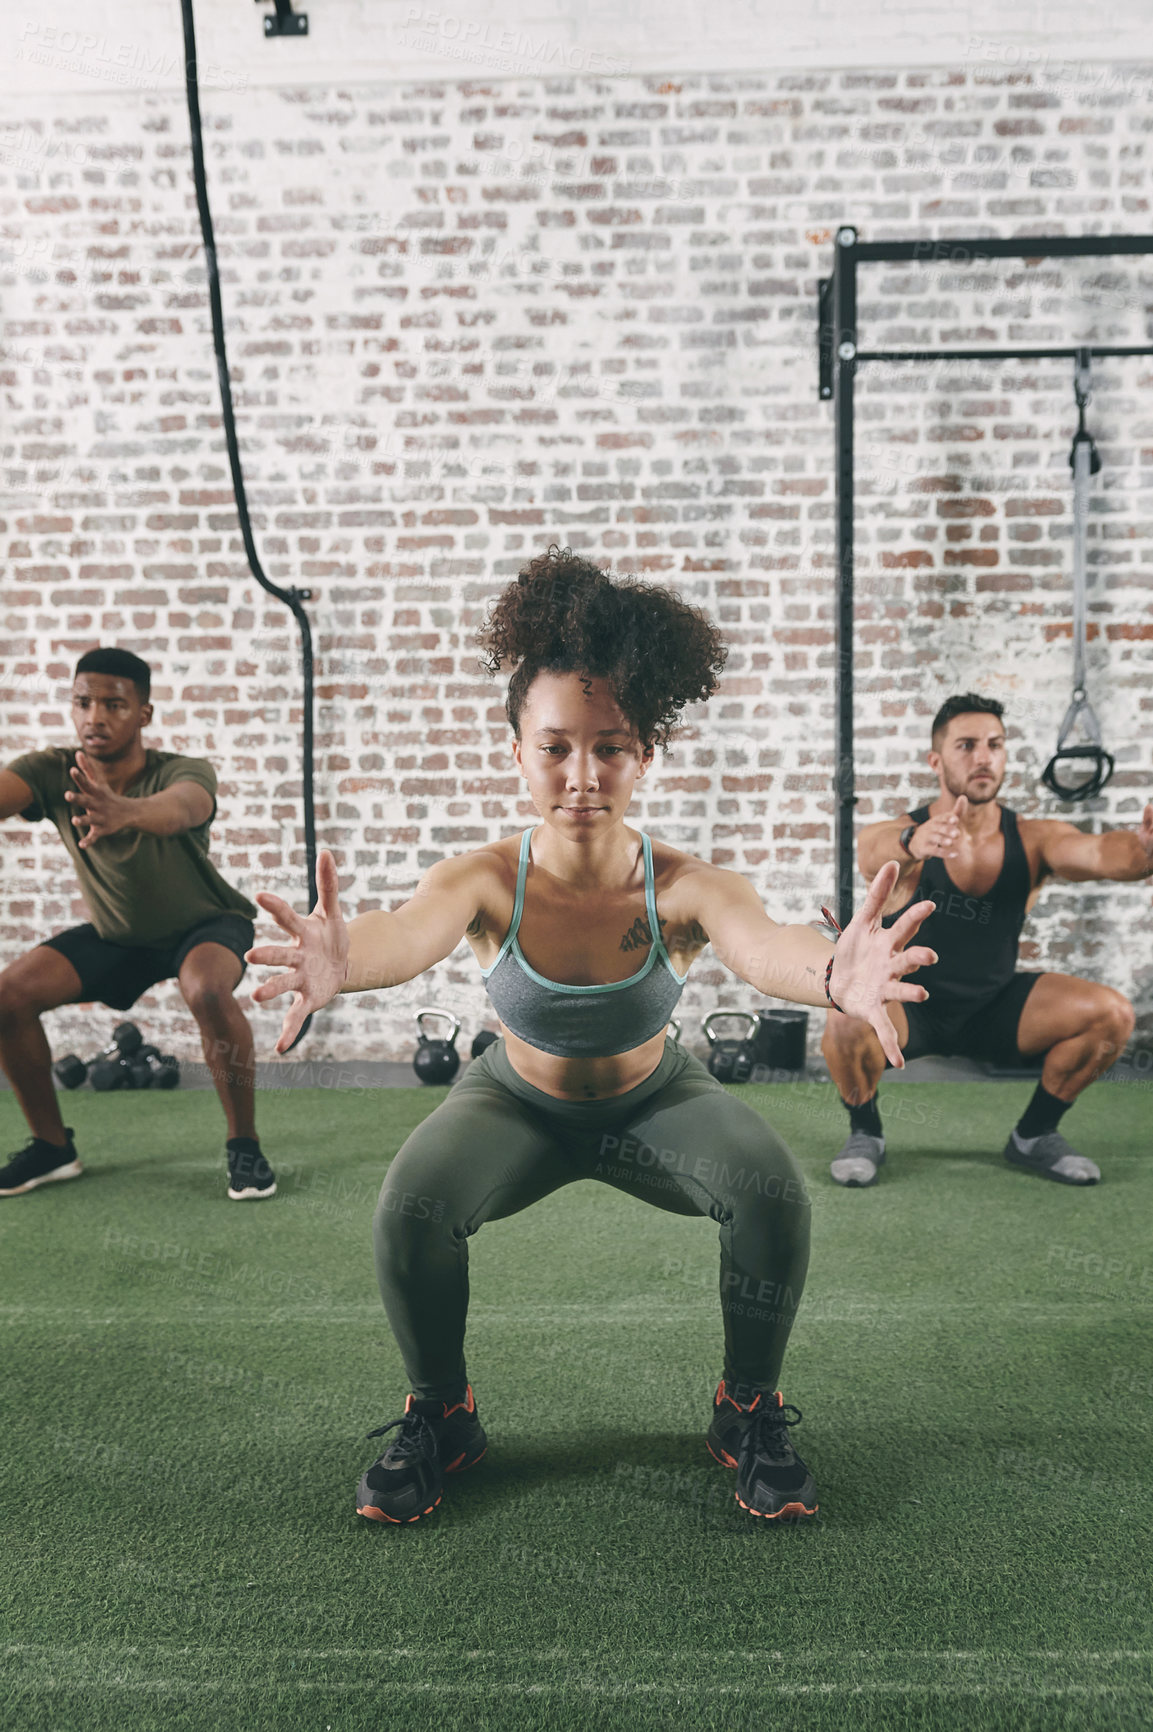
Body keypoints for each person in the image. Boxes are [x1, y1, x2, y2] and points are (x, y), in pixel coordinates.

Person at [248, 548, 937, 1525]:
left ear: (643, 754)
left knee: (773, 1194)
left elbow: (764, 943)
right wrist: (340, 959)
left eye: (609, 746)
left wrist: (834, 972)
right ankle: (441, 1413)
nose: (582, 774)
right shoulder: (484, 875)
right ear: (517, 750)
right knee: (408, 1208)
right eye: (556, 746)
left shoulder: (685, 883)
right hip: (513, 1103)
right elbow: (406, 933)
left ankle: (747, 1407)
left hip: (656, 1098)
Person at [824, 692, 1151, 1189]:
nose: (983, 757)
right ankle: (866, 1134)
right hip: (912, 1009)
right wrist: (915, 842)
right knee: (842, 1014)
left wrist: (1144, 850)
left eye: (995, 745)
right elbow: (872, 851)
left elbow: (1102, 852)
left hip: (997, 1006)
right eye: (967, 745)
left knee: (1112, 1015)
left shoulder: (1036, 837)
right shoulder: (907, 833)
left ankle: (1034, 1136)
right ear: (936, 760)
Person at [0, 646, 276, 1201]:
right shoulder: (53, 772)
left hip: (206, 926)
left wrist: (124, 812)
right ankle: (54, 1148)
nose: (94, 717)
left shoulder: (181, 770)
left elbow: (184, 808)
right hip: (118, 936)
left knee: (207, 991)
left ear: (143, 713)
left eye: (113, 704)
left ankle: (243, 1146)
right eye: (83, 702)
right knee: (7, 996)